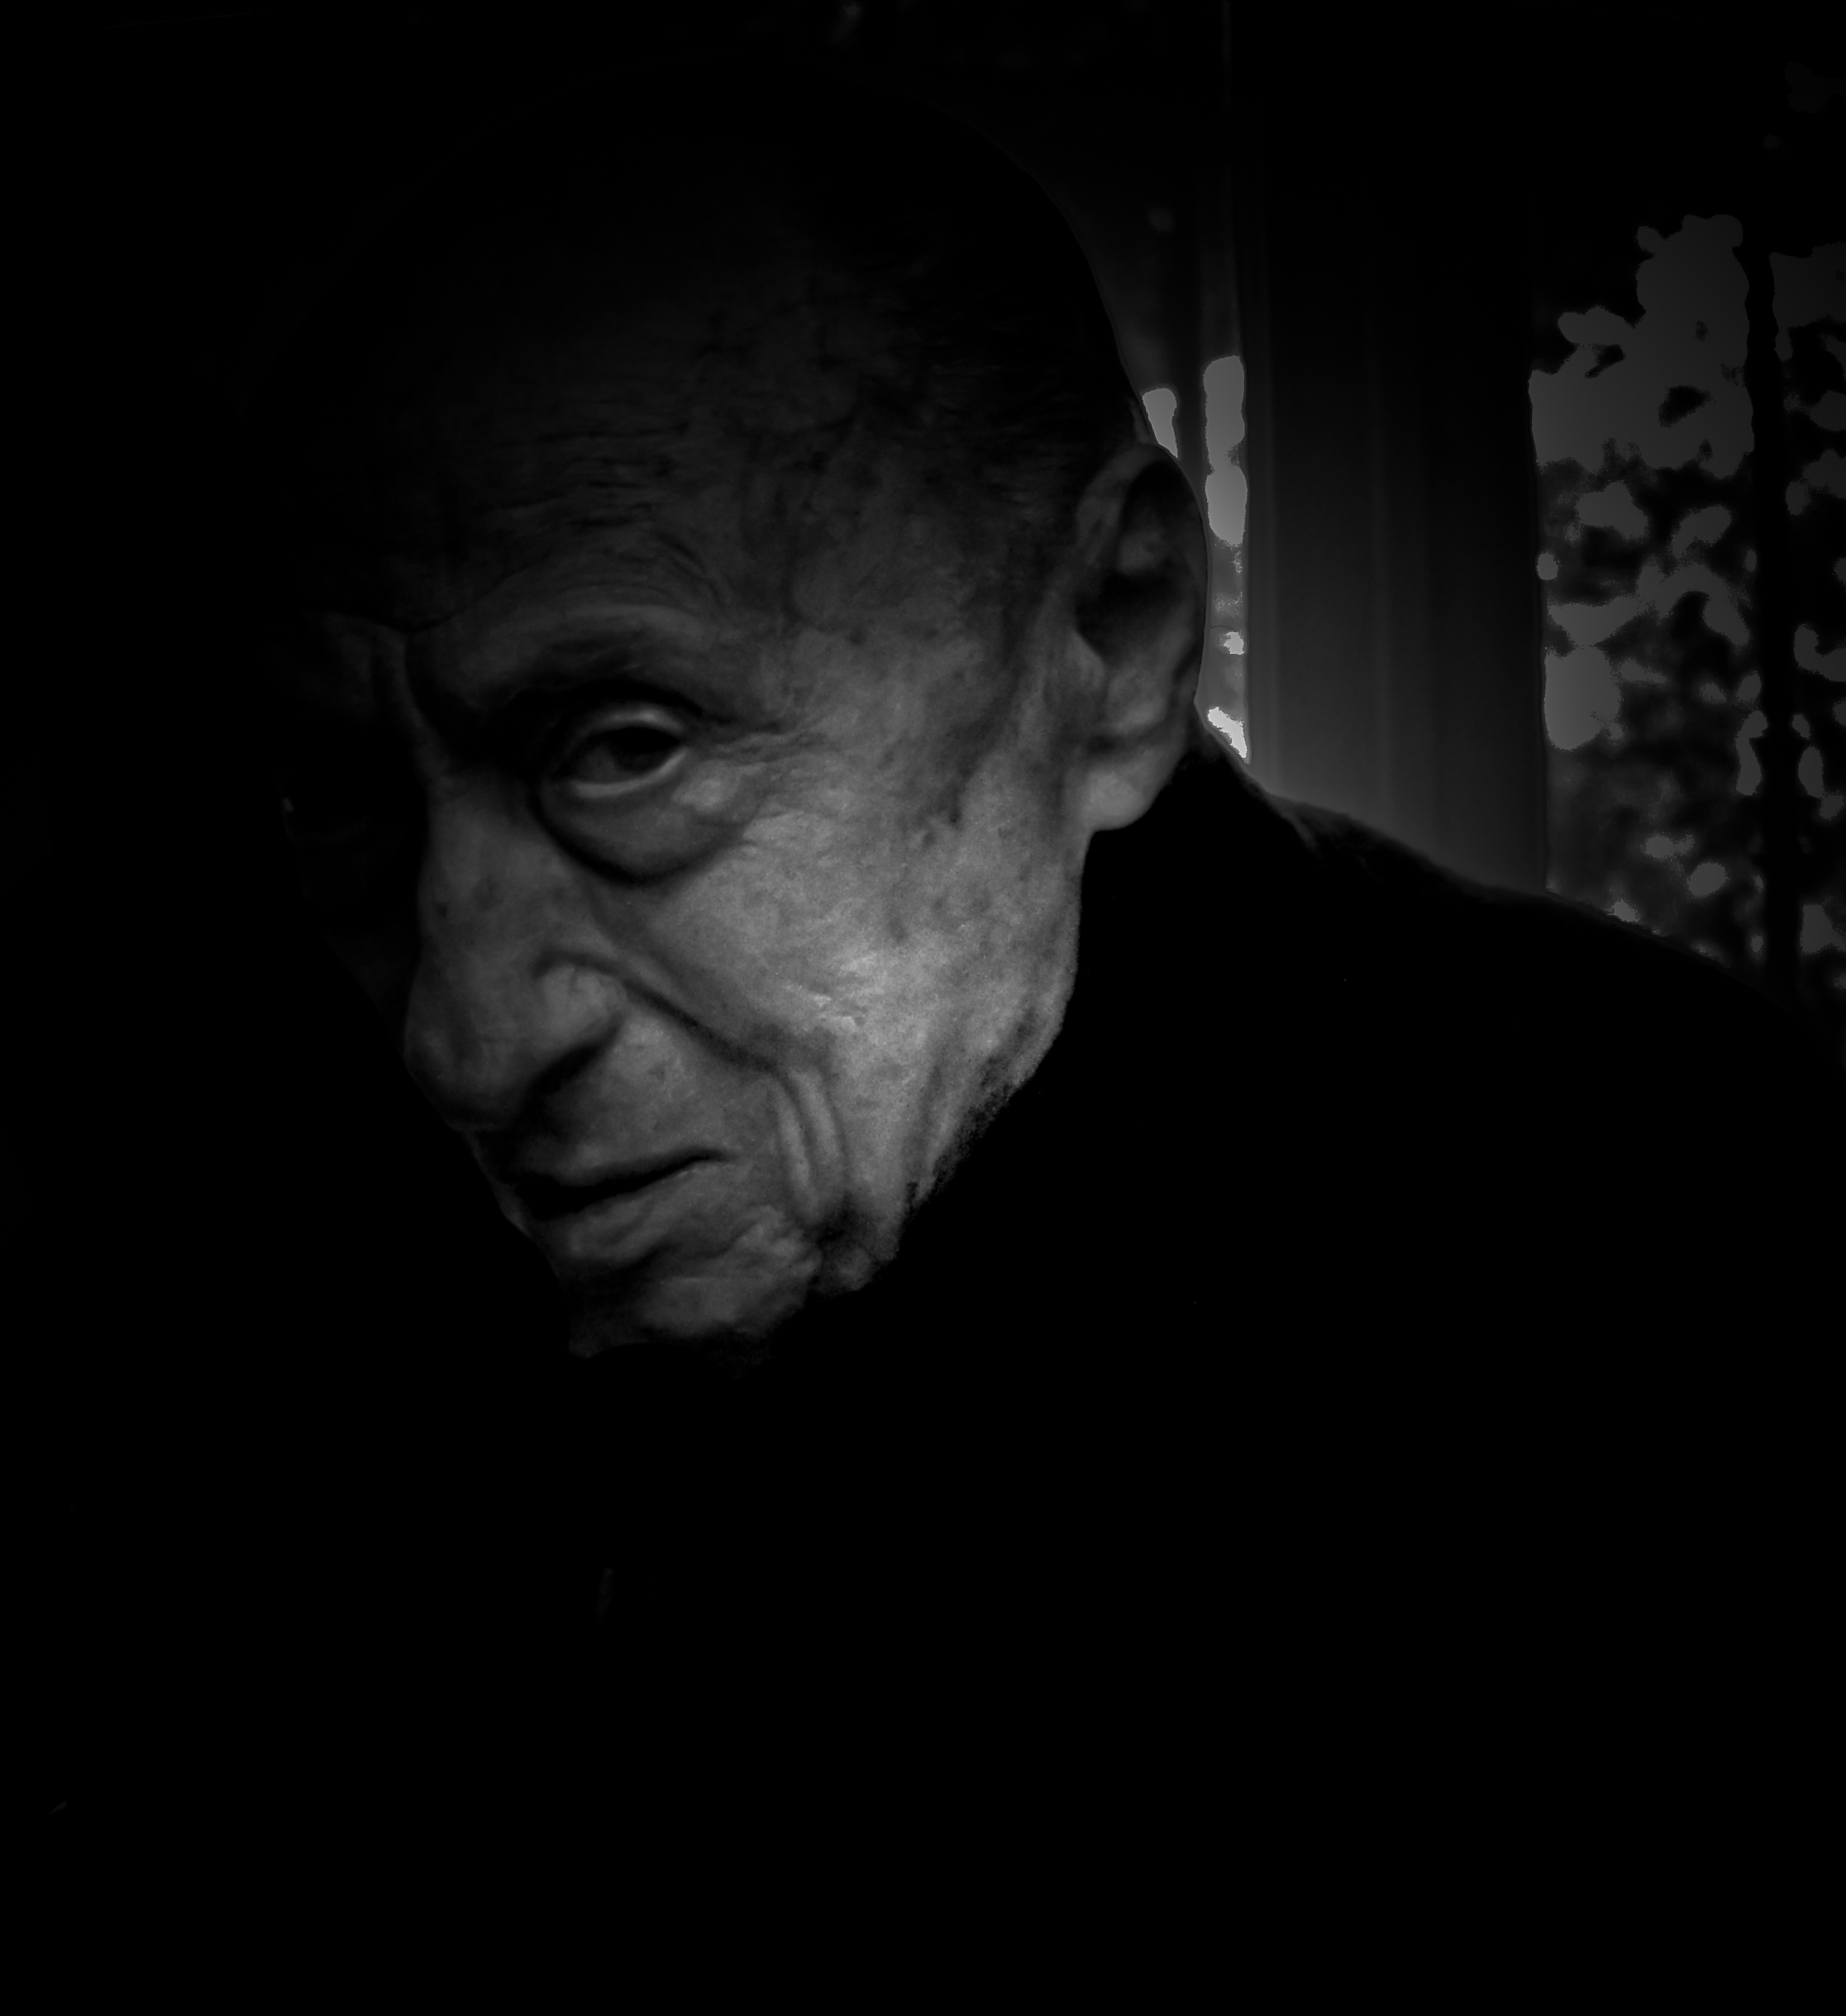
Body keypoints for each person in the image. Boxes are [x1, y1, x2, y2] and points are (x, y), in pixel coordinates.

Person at [117, 60, 1839, 1886]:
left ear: (1113, 634)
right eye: (342, 797)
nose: (461, 1040)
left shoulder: (1664, 1253)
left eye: (624, 747)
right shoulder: (309, 1269)